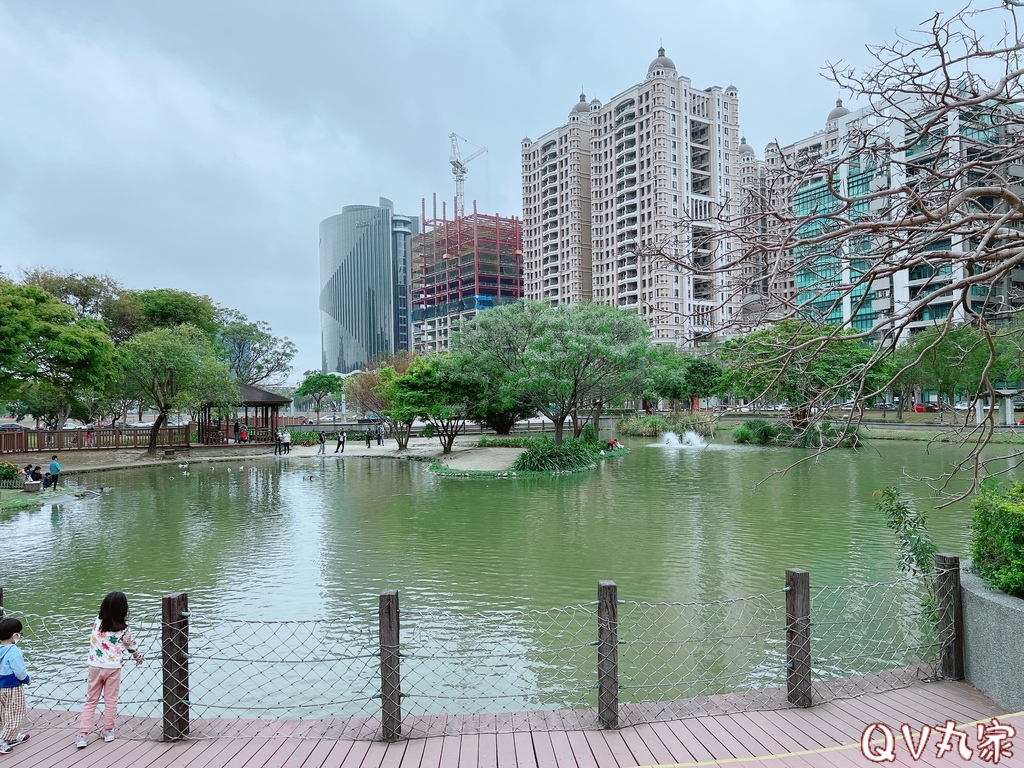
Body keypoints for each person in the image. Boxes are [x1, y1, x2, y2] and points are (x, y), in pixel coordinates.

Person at [76, 592, 143, 749]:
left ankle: (82, 735)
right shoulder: (124, 630)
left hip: (94, 666)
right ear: (123, 610)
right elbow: (131, 646)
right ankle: (108, 731)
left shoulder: (97, 621)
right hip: (113, 667)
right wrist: (137, 656)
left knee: (91, 700)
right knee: (110, 700)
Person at [0, 617, 31, 754]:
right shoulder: (14, 651)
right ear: (15, 635)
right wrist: (27, 679)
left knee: (5, 713)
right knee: (16, 714)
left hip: (1, 686)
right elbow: (19, 671)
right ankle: (2, 741)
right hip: (13, 687)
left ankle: (11, 736)